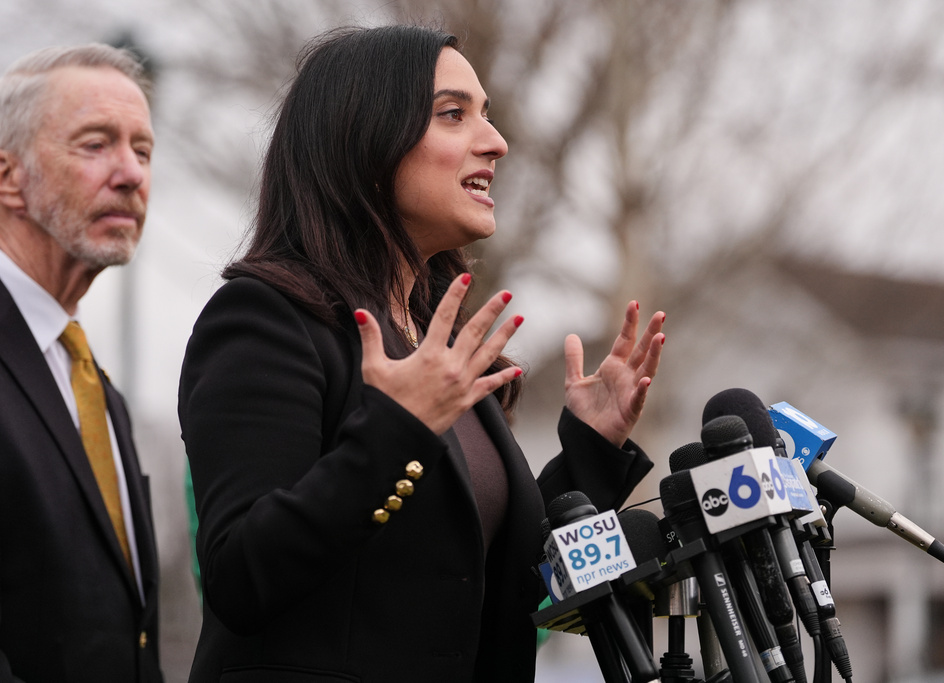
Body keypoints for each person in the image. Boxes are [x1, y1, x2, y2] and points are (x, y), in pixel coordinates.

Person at [179, 24, 666, 682]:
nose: (494, 142)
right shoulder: (266, 319)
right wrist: (397, 429)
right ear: (365, 140)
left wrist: (590, 448)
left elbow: (492, 581)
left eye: (487, 116)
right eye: (453, 115)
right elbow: (241, 575)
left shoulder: (438, 343)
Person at [0, 44, 163, 683]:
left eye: (142, 149)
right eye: (95, 144)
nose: (132, 174)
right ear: (6, 176)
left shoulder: (90, 380)